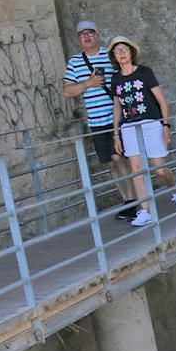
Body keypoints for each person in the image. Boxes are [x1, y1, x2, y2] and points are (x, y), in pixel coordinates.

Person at [107, 36, 176, 227]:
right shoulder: (116, 78)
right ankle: (144, 211)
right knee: (136, 170)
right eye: (117, 51)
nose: (121, 53)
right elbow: (117, 107)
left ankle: (175, 191)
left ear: (131, 52)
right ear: (114, 56)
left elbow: (162, 100)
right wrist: (116, 134)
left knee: (159, 170)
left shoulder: (144, 72)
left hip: (151, 123)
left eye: (124, 49)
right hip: (129, 127)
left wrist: (166, 125)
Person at [61, 20, 137, 220]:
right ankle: (128, 201)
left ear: (97, 35)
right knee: (112, 163)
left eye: (90, 33)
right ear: (78, 39)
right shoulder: (75, 63)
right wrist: (88, 83)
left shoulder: (110, 55)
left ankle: (136, 201)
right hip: (96, 121)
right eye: (82, 34)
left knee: (120, 158)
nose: (87, 36)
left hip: (118, 118)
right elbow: (67, 91)